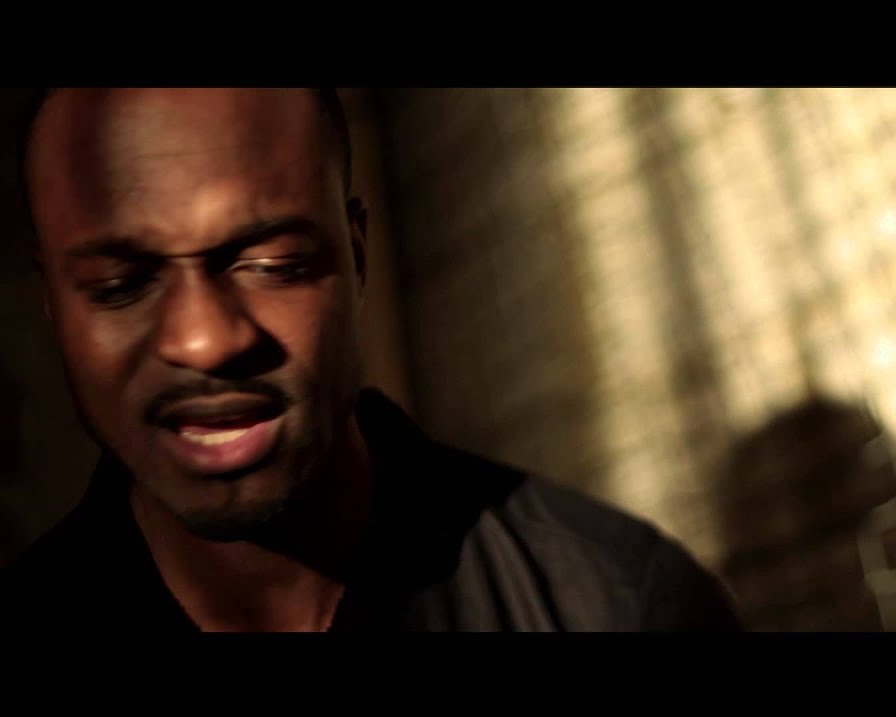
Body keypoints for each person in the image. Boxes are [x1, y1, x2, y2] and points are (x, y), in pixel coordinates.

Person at [0, 87, 741, 632]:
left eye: (274, 264)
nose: (204, 340)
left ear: (357, 254)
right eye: (119, 285)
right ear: (53, 308)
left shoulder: (616, 605)